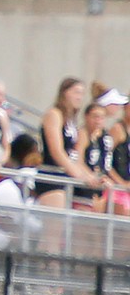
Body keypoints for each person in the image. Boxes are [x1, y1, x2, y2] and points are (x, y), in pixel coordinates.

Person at [36, 78, 102, 211]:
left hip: (67, 175)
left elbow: (73, 155)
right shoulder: (54, 114)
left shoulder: (70, 120)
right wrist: (78, 174)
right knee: (55, 226)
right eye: (76, 92)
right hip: (53, 175)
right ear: (65, 93)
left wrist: (88, 176)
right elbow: (57, 151)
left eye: (82, 94)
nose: (80, 97)